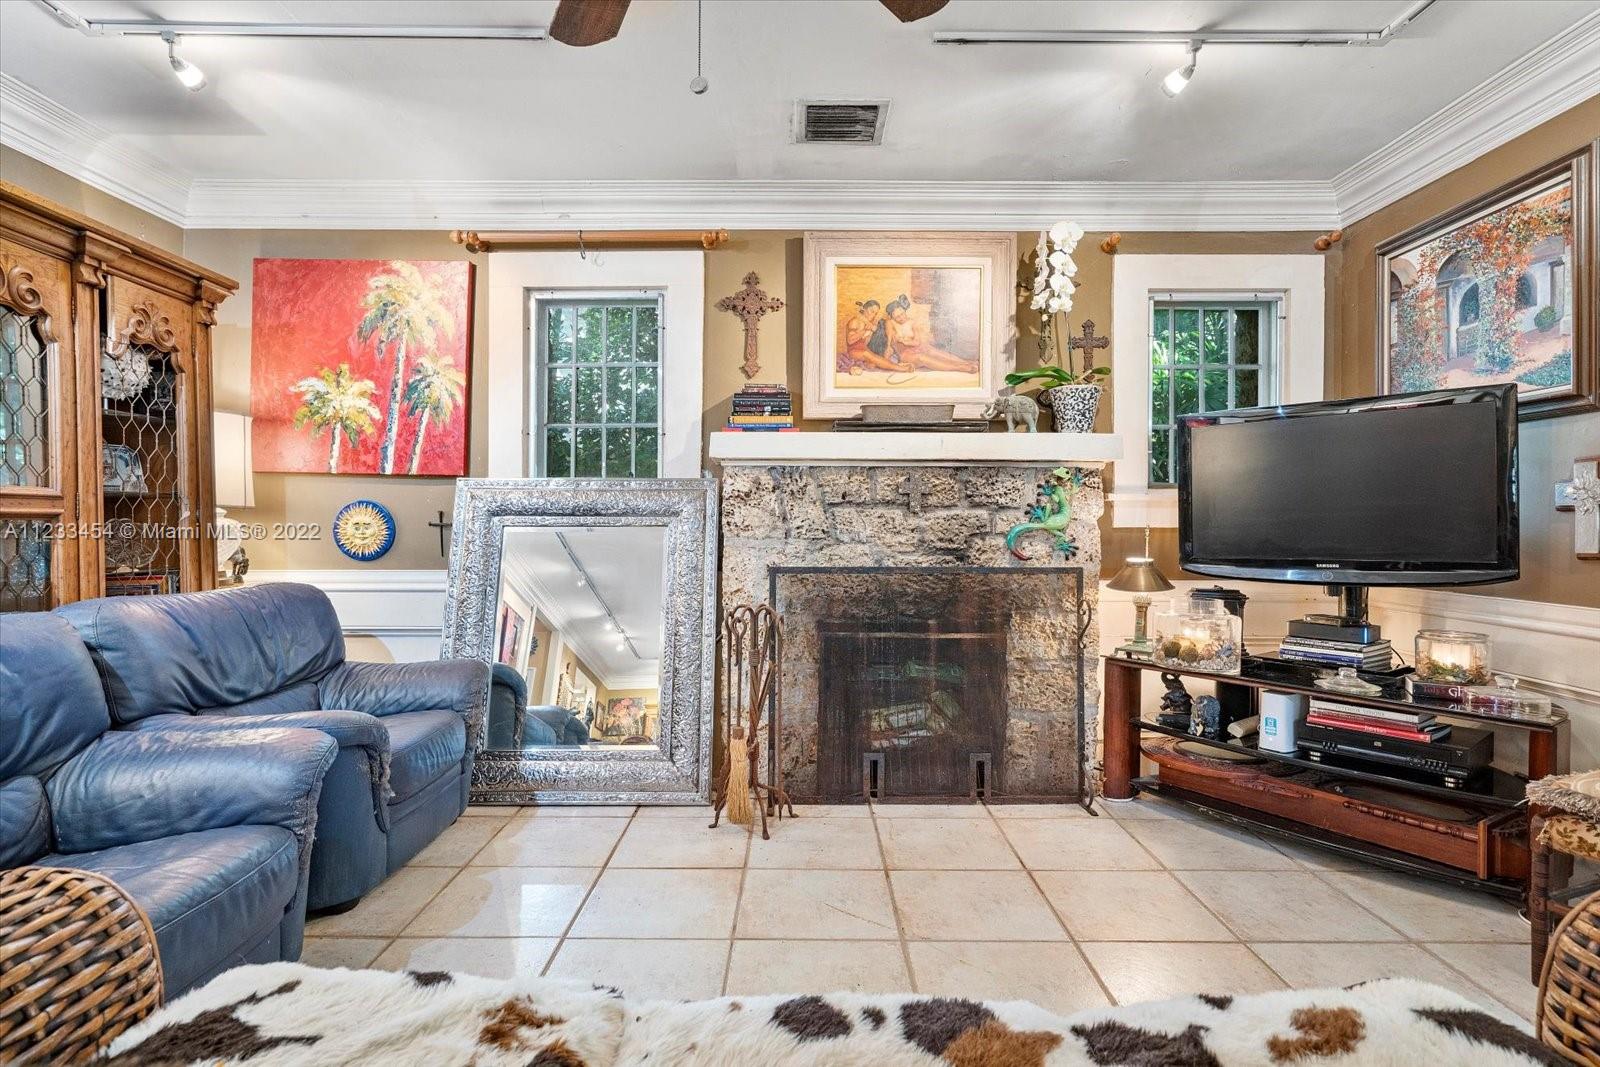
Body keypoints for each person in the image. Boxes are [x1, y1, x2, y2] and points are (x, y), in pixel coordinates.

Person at [883, 294, 979, 373]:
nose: (901, 318)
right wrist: (890, 348)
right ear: (892, 317)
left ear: (904, 310)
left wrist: (905, 341)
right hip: (905, 354)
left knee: (934, 352)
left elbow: (917, 342)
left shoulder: (912, 322)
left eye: (902, 314)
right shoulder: (890, 323)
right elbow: (889, 340)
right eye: (897, 317)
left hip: (916, 347)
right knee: (922, 358)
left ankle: (966, 362)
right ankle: (960, 367)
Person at [838, 300, 902, 374]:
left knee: (875, 361)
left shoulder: (867, 323)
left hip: (863, 349)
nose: (873, 315)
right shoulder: (855, 322)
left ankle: (896, 366)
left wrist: (870, 332)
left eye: (875, 313)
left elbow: (865, 342)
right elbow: (850, 341)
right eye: (872, 311)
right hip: (853, 351)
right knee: (869, 356)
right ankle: (900, 368)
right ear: (865, 309)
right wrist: (865, 330)